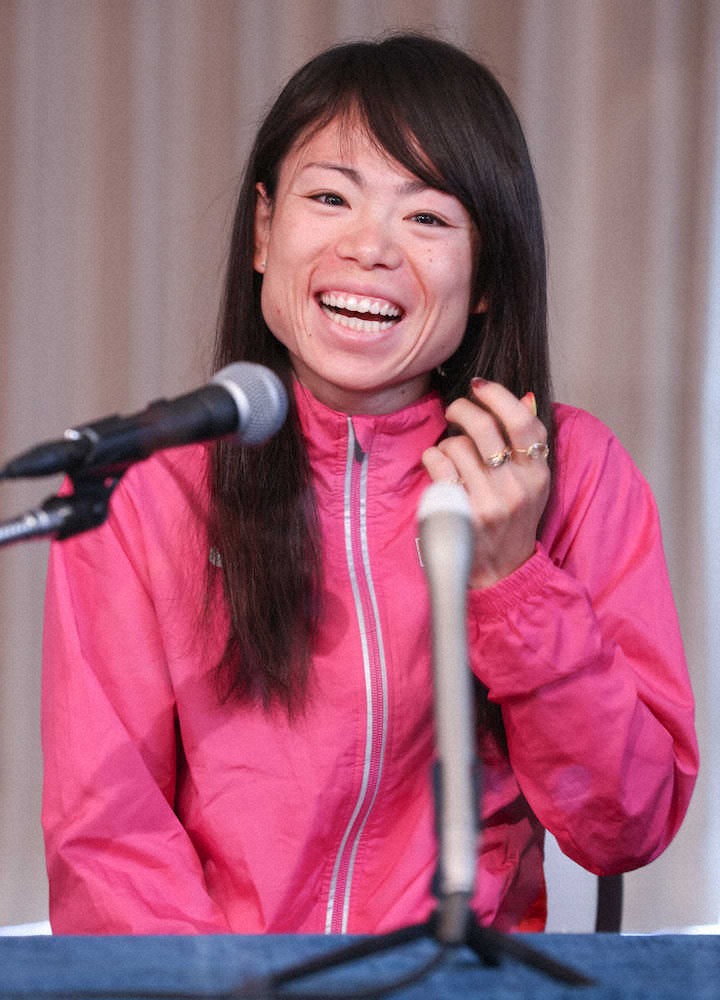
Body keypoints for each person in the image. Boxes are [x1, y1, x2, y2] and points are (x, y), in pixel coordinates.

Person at [41, 33, 698, 935]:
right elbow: (110, 852)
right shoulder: (147, 489)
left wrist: (513, 580)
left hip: (464, 986)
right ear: (264, 231)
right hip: (228, 993)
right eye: (329, 198)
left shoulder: (568, 470)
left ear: (486, 278)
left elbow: (627, 823)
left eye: (426, 218)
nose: (369, 247)